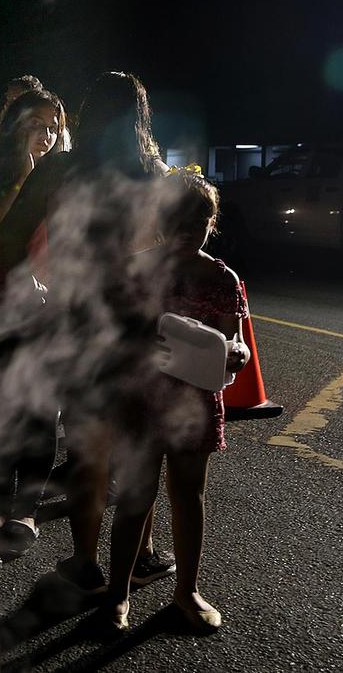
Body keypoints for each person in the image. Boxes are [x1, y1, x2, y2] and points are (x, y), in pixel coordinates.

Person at [0, 71, 173, 601]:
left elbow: (7, 239)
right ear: (139, 117)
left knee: (88, 444)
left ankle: (85, 562)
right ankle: (138, 556)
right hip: (136, 322)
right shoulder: (153, 173)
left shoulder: (60, 169)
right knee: (138, 446)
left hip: (73, 318)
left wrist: (35, 284)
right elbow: (170, 250)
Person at [99, 171, 250, 632]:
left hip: (195, 403)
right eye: (178, 214)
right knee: (136, 494)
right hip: (139, 399)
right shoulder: (135, 267)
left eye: (201, 216)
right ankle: (117, 593)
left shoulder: (223, 277)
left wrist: (237, 354)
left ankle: (187, 591)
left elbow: (235, 340)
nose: (190, 224)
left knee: (189, 493)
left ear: (213, 222)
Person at [0, 88, 68, 558]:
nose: (45, 135)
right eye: (36, 124)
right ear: (15, 126)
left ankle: (26, 510)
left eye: (52, 127)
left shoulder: (63, 174)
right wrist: (24, 180)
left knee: (42, 412)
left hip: (46, 308)